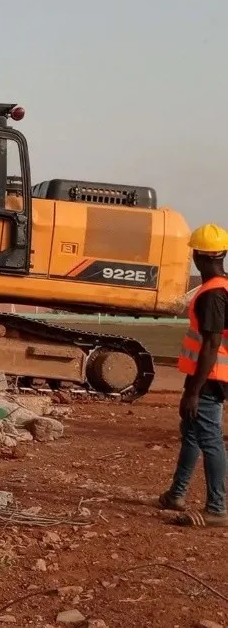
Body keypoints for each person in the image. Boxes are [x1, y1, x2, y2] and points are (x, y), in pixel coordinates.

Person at [161, 223, 228, 527]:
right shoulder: (222, 287)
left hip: (210, 378)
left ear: (197, 256)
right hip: (206, 375)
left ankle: (217, 508)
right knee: (191, 430)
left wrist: (193, 391)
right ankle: (176, 494)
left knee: (210, 438)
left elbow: (211, 344)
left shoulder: (212, 294)